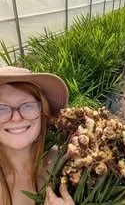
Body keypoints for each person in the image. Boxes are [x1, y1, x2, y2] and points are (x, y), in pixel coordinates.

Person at [0, 66, 75, 205]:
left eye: (27, 105)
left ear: (43, 112)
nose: (16, 118)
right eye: (1, 108)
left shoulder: (69, 162)